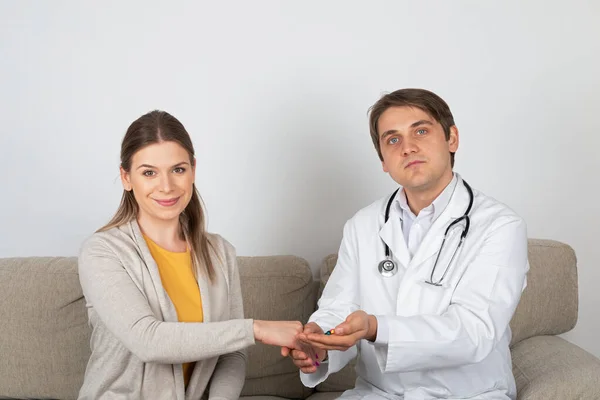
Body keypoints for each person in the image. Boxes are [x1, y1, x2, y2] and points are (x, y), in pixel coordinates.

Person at [283, 88, 529, 399]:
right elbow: (339, 307)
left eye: (421, 131)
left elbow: (475, 331)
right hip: (380, 394)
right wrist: (318, 343)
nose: (408, 148)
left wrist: (377, 328)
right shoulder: (363, 224)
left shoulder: (500, 225)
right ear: (384, 160)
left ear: (452, 139)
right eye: (393, 139)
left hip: (469, 394)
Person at [78, 110, 302, 400]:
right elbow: (148, 341)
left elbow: (231, 355)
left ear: (193, 170)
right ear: (126, 178)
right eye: (149, 173)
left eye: (178, 169)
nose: (167, 186)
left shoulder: (220, 252)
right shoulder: (102, 252)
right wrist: (255, 329)